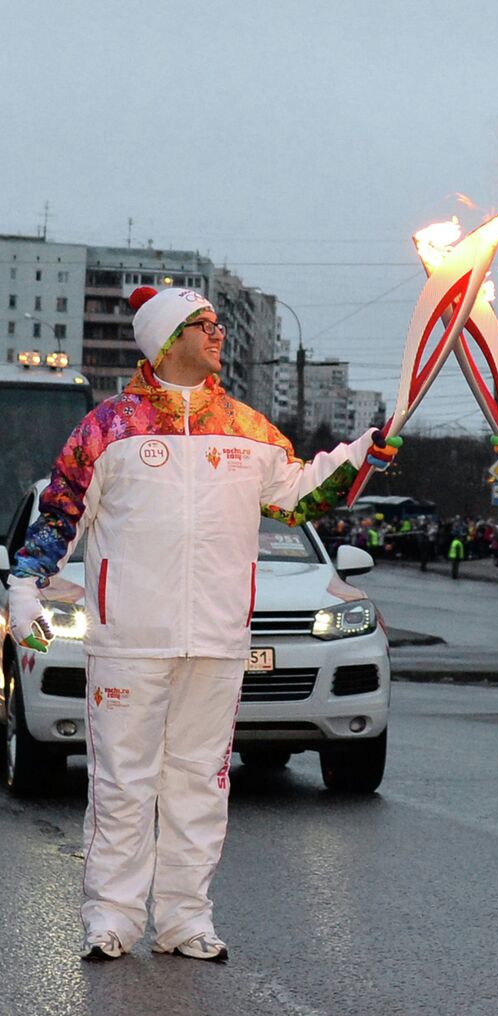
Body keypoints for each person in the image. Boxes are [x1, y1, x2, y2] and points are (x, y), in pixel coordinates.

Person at [7, 285, 399, 963]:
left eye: (220, 324)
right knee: (122, 785)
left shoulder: (245, 429)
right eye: (204, 325)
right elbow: (61, 513)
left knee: (200, 785)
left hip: (217, 639)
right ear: (165, 338)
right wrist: (23, 585)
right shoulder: (110, 427)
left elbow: (300, 495)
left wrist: (362, 453)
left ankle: (185, 921)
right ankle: (113, 918)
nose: (219, 335)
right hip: (128, 637)